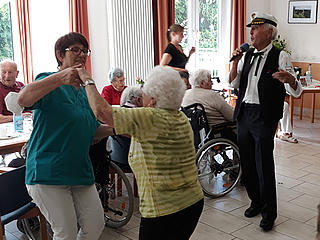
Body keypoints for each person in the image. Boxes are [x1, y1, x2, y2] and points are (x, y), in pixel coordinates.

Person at [76, 65, 204, 240]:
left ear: (153, 99)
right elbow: (141, 135)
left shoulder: (148, 117)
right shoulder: (179, 117)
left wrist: (87, 80)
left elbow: (101, 112)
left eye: (145, 90)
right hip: (192, 203)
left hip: (163, 210)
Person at [17, 32, 111, 240]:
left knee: (95, 225)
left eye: (84, 51)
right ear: (60, 55)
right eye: (75, 50)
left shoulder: (86, 92)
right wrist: (62, 76)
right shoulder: (48, 81)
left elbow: (92, 130)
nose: (81, 55)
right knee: (65, 233)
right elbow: (23, 98)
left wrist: (123, 126)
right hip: (48, 171)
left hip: (79, 170)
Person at [228, 12, 302, 231]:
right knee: (248, 164)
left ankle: (269, 212)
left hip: (264, 117)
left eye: (256, 28)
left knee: (264, 165)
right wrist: (234, 62)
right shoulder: (248, 55)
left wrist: (291, 80)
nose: (251, 32)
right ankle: (256, 202)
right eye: (251, 28)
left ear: (269, 32)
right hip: (244, 114)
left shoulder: (281, 56)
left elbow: (295, 92)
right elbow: (234, 83)